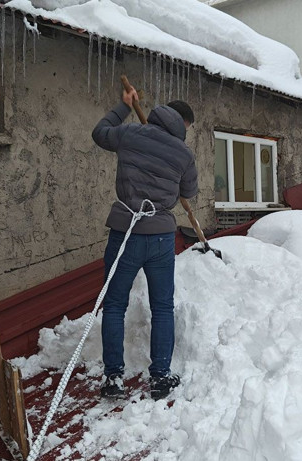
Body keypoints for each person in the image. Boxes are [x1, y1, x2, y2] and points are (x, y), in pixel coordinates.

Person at [91, 88, 198, 400]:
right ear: (183, 124)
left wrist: (123, 107)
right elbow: (189, 191)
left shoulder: (130, 133)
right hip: (161, 236)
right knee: (162, 305)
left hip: (125, 230)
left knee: (114, 304)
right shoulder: (183, 153)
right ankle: (161, 376)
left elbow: (100, 133)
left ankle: (113, 378)